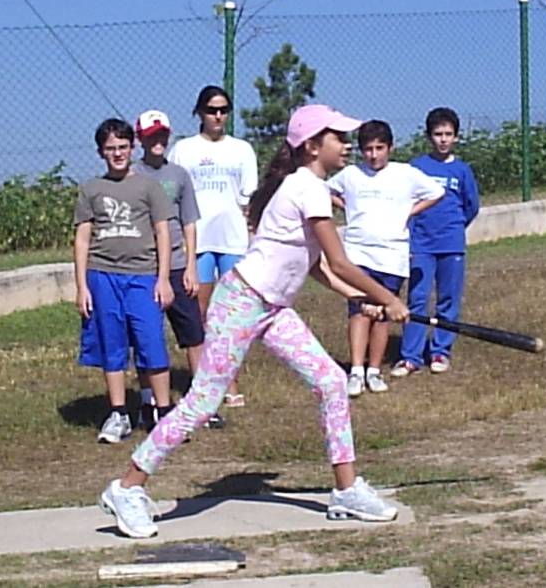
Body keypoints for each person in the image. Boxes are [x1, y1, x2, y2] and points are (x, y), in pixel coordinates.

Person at [98, 104, 410, 539]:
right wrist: (388, 298)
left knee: (331, 382)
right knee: (203, 403)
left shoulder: (307, 186)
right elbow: (340, 260)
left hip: (274, 309)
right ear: (312, 146)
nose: (347, 145)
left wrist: (359, 297)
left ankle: (346, 490)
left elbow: (317, 265)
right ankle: (127, 487)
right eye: (338, 137)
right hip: (241, 303)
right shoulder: (308, 188)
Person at [73, 118, 175, 444]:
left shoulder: (148, 187)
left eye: (122, 147)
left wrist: (163, 279)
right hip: (103, 276)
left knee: (150, 341)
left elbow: (162, 233)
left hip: (142, 276)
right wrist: (82, 286)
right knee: (112, 344)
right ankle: (118, 414)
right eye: (110, 148)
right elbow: (83, 240)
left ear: (132, 148)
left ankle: (163, 412)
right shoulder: (91, 189)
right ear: (100, 152)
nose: (117, 154)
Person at [328, 120, 444, 397]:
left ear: (390, 148)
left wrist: (408, 211)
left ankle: (374, 370)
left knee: (383, 313)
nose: (373, 155)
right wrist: (347, 206)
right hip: (358, 253)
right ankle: (356, 370)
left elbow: (436, 193)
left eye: (379, 148)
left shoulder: (405, 173)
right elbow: (325, 190)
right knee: (359, 310)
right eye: (368, 149)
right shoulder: (351, 175)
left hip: (391, 255)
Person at [133, 109, 225, 430]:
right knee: (146, 337)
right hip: (143, 267)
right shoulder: (132, 175)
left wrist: (190, 267)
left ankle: (202, 401)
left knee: (194, 333)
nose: (157, 141)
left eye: (162, 134)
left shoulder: (179, 175)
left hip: (175, 265)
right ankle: (147, 401)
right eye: (151, 136)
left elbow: (189, 222)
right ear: (140, 139)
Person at [169, 85, 258, 408]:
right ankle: (204, 382)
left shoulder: (241, 150)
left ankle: (231, 380)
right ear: (200, 113)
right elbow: (173, 194)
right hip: (199, 242)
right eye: (211, 110)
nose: (218, 116)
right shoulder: (183, 150)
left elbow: (249, 196)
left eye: (223, 110)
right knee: (199, 313)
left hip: (232, 239)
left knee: (231, 314)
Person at [391, 107, 480, 378]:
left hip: (451, 245)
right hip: (421, 245)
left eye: (448, 134)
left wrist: (454, 228)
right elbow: (406, 202)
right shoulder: (416, 168)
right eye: (438, 134)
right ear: (429, 136)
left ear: (456, 137)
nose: (443, 139)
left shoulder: (462, 170)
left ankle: (440, 350)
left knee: (448, 299)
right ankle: (411, 356)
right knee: (417, 298)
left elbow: (471, 206)